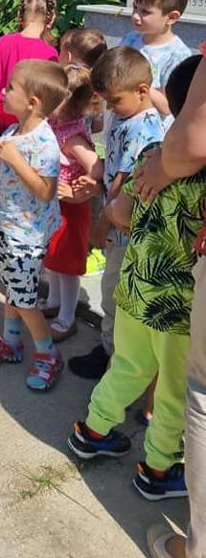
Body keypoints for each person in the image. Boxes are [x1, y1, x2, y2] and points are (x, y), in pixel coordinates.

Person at [69, 55, 204, 503]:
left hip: (135, 288)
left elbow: (120, 212)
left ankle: (92, 431)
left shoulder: (152, 156)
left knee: (128, 366)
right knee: (173, 392)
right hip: (178, 308)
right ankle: (159, 468)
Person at [69, 47, 164, 379]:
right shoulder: (129, 116)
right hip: (118, 221)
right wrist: (99, 179)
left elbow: (125, 180)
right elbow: (115, 166)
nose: (110, 108)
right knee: (113, 290)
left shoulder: (142, 127)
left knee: (113, 292)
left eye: (114, 101)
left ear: (142, 90)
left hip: (123, 226)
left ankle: (112, 357)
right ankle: (112, 349)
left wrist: (102, 222)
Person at [145, 46, 206, 558]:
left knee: (190, 390)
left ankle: (156, 464)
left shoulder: (168, 161)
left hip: (156, 297)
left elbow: (189, 145)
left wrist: (166, 162)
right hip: (172, 298)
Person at [0, 59, 69, 391]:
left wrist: (14, 159)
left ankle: (48, 354)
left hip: (28, 235)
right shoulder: (12, 133)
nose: (3, 91)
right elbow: (10, 179)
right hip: (10, 225)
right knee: (14, 289)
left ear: (32, 102)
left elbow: (46, 191)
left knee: (26, 300)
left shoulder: (44, 143)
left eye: (10, 87)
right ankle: (11, 341)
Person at [0, 0, 59, 226]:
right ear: (50, 18)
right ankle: (22, 200)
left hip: (1, 109)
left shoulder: (5, 41)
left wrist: (1, 90)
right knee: (27, 158)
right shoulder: (49, 52)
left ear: (21, 16)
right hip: (29, 115)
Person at [41, 64, 99, 342]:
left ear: (71, 104)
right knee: (54, 259)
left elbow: (96, 167)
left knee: (67, 266)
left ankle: (67, 317)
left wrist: (80, 193)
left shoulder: (73, 137)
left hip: (71, 211)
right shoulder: (56, 125)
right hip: (55, 206)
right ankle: (54, 302)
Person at [120, 0, 192, 122]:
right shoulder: (131, 39)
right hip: (123, 122)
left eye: (145, 12)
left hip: (152, 129)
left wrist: (136, 83)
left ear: (171, 17)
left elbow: (168, 107)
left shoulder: (178, 56)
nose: (135, 16)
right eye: (135, 8)